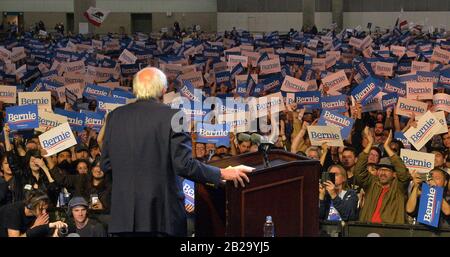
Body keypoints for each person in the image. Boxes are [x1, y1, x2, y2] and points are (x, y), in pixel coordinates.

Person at [100, 67, 253, 236]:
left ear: (135, 89)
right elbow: (184, 165)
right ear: (164, 90)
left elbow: (106, 164)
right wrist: (222, 173)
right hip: (161, 219)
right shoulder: (174, 116)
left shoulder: (115, 116)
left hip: (124, 219)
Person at [353, 128, 411, 224]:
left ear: (394, 174)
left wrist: (387, 147)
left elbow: (404, 174)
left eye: (387, 170)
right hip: (368, 229)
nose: (383, 173)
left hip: (389, 231)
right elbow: (358, 171)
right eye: (380, 170)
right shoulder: (372, 183)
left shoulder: (398, 187)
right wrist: (370, 143)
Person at [0, 190, 67, 237]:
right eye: (41, 209)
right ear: (30, 206)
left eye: (45, 209)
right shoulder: (13, 212)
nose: (44, 212)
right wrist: (35, 227)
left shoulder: (37, 213)